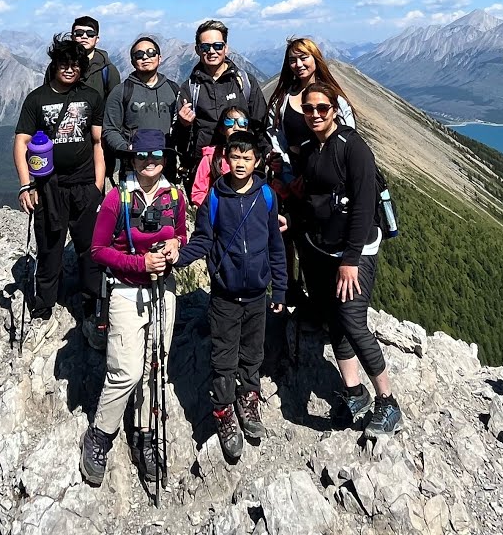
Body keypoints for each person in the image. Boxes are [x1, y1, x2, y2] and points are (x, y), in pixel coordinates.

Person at [292, 81, 401, 438]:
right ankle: (354, 392)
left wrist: (351, 259)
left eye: (322, 108)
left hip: (354, 251)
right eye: (309, 109)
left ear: (334, 110)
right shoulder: (309, 149)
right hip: (324, 249)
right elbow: (313, 201)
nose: (315, 114)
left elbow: (364, 205)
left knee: (353, 321)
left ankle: (387, 401)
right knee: (335, 321)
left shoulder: (354, 147)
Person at [81, 129, 188, 487]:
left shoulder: (174, 196)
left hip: (163, 291)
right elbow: (98, 251)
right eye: (143, 156)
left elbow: (181, 234)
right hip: (126, 291)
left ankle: (144, 435)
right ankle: (100, 435)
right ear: (132, 160)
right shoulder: (117, 198)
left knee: (155, 367)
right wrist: (139, 264)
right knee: (125, 372)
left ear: (165, 158)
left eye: (156, 155)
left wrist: (175, 246)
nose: (150, 162)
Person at [175, 131, 286, 461]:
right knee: (223, 358)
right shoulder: (214, 198)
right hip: (224, 295)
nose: (240, 163)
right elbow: (203, 240)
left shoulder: (266, 196)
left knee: (252, 353)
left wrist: (279, 288)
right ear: (225, 159)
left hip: (257, 295)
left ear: (257, 161)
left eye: (247, 158)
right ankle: (224, 413)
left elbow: (275, 245)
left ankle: (248, 401)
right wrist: (178, 257)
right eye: (234, 157)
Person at [13, 34, 105, 332]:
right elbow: (21, 142)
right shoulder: (36, 99)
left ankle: (92, 302)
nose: (69, 68)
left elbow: (98, 143)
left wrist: (98, 186)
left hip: (84, 185)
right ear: (54, 64)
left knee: (89, 247)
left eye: (75, 64)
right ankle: (44, 305)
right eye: (64, 63)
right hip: (48, 186)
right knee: (49, 247)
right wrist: (26, 185)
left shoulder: (92, 97)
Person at [263, 37, 356, 310]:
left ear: (316, 59)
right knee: (295, 237)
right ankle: (296, 293)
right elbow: (276, 140)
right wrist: (287, 175)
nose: (298, 64)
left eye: (304, 57)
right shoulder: (282, 100)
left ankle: (329, 300)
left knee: (325, 239)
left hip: (328, 184)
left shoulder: (334, 98)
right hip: (293, 182)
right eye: (293, 59)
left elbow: (348, 139)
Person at [174, 20, 268, 184]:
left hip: (243, 169)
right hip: (204, 171)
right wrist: (183, 125)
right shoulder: (190, 88)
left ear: (226, 48)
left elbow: (260, 126)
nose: (211, 51)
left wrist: (265, 157)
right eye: (205, 47)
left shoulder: (245, 82)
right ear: (197, 50)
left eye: (217, 46)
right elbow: (180, 138)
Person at [103, 36, 180, 182]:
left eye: (151, 53)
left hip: (165, 165)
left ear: (160, 58)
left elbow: (178, 127)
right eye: (139, 55)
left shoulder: (173, 89)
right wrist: (126, 148)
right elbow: (109, 129)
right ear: (132, 61)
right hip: (133, 166)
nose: (145, 57)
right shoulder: (121, 91)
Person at [189, 105, 250, 207]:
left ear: (247, 128)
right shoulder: (210, 157)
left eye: (242, 122)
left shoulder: (253, 156)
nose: (236, 127)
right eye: (229, 122)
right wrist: (216, 208)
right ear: (222, 129)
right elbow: (198, 193)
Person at [71, 16, 120, 105]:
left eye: (90, 34)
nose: (84, 37)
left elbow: (114, 104)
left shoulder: (108, 70)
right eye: (79, 33)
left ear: (97, 39)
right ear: (72, 37)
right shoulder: (58, 66)